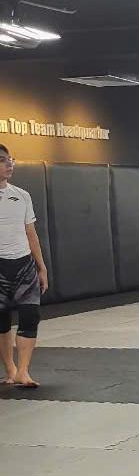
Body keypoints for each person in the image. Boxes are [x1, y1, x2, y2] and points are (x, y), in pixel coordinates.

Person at [0, 144, 47, 388]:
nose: (9, 164)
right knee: (2, 321)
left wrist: (41, 267)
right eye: (2, 160)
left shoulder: (22, 195)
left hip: (24, 264)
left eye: (10, 159)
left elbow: (31, 233)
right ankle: (10, 368)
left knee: (31, 316)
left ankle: (23, 372)